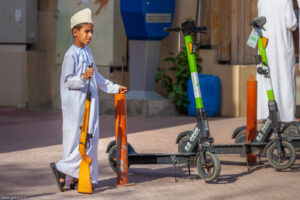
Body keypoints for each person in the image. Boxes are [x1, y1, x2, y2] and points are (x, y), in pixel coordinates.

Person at [50, 8, 127, 192]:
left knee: (91, 139)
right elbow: (68, 81)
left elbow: (97, 77)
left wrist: (115, 88)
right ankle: (62, 168)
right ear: (75, 32)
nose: (90, 35)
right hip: (75, 107)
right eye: (86, 31)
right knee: (75, 140)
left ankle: (82, 177)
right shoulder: (71, 55)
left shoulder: (87, 52)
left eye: (91, 31)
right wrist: (83, 77)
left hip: (90, 105)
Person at [257, 0, 298, 122]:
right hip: (282, 47)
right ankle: (286, 115)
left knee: (267, 78)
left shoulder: (262, 1)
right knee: (284, 80)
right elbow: (291, 24)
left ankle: (265, 112)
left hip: (266, 46)